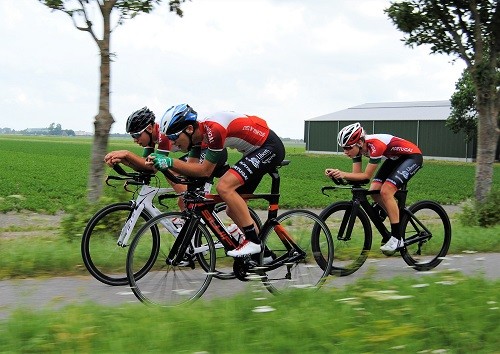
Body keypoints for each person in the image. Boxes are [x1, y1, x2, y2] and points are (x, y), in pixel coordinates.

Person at [147, 104, 286, 257]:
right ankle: (264, 255)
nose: (173, 143)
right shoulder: (198, 137)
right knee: (232, 210)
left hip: (269, 147)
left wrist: (169, 162)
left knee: (224, 187)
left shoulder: (214, 129)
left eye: (174, 137)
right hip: (254, 151)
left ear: (189, 129)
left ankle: (253, 241)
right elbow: (192, 169)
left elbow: (205, 170)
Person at [325, 122, 423, 254]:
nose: (345, 152)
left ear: (359, 142)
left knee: (386, 191)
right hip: (395, 158)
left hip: (412, 157)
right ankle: (395, 215)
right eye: (344, 148)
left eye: (348, 148)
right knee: (374, 191)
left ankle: (397, 238)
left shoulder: (376, 145)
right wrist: (337, 176)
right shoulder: (358, 150)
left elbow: (365, 176)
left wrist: (342, 173)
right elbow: (357, 176)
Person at [104, 107, 187, 208]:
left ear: (149, 128)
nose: (135, 140)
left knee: (168, 168)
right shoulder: (151, 137)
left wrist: (127, 154)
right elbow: (145, 165)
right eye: (132, 136)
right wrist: (124, 161)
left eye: (136, 135)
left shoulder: (163, 134)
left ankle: (193, 206)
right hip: (192, 153)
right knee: (182, 202)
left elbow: (153, 167)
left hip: (202, 150)